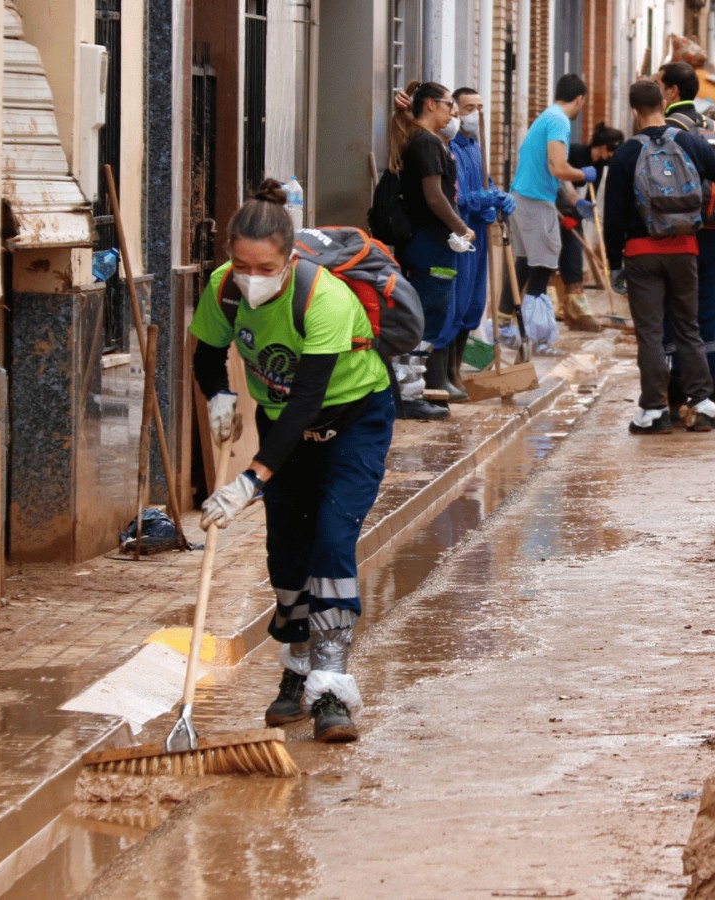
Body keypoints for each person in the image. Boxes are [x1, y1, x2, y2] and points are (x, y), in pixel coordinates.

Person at [190, 180, 395, 744]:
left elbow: (307, 397)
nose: (250, 277)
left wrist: (251, 479)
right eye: (240, 264)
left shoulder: (323, 299)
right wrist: (220, 395)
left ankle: (331, 689)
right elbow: (207, 352)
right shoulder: (222, 289)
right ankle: (297, 668)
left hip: (352, 422)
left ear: (289, 258)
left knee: (331, 540)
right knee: (286, 552)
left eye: (264, 267)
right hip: (283, 425)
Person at [603, 79, 715, 435]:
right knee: (688, 327)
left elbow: (613, 216)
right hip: (685, 249)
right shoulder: (690, 142)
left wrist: (615, 264)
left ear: (634, 111)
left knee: (650, 333)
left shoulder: (626, 153)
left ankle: (654, 411)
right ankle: (702, 403)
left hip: (641, 254)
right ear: (664, 103)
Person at [390, 81, 475, 419]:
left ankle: (414, 389)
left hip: (432, 243)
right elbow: (434, 196)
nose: (452, 111)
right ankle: (409, 396)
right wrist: (461, 226)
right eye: (447, 104)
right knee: (426, 313)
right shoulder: (425, 143)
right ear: (428, 105)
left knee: (431, 312)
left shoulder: (426, 140)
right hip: (429, 244)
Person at [506, 73, 597, 354]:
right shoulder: (559, 121)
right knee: (543, 266)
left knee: (523, 265)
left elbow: (553, 173)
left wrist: (574, 199)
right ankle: (538, 337)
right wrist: (584, 173)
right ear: (580, 99)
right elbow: (559, 167)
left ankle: (505, 328)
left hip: (522, 197)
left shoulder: (546, 116)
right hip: (535, 201)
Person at [658, 61, 715, 405]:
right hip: (712, 229)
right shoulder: (711, 126)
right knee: (707, 306)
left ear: (672, 91)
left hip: (678, 232)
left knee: (676, 309)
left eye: (661, 86)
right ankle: (711, 386)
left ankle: (677, 389)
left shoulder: (670, 130)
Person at [445, 87, 513, 396]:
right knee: (456, 304)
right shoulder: (451, 148)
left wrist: (498, 196)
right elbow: (453, 195)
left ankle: (456, 370)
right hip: (461, 236)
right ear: (456, 111)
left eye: (480, 107)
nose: (476, 114)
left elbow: (486, 181)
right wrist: (477, 200)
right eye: (469, 107)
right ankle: (446, 375)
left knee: (474, 304)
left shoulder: (476, 146)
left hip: (480, 236)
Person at [554, 124, 625, 332]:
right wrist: (566, 213)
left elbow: (588, 196)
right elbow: (560, 181)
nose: (612, 156)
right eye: (611, 151)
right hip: (554, 208)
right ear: (603, 147)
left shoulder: (600, 165)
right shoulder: (575, 152)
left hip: (572, 214)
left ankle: (576, 312)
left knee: (573, 259)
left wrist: (579, 217)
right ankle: (552, 308)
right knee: (550, 261)